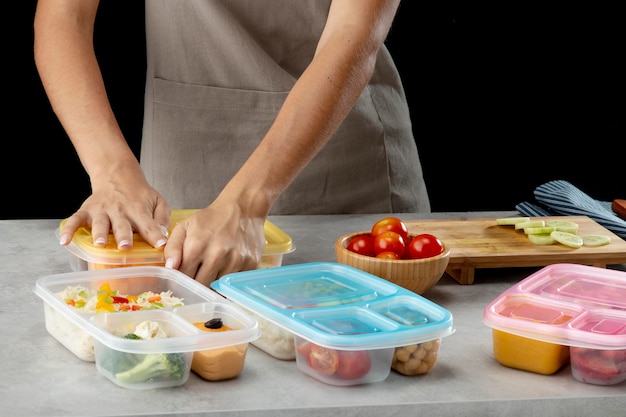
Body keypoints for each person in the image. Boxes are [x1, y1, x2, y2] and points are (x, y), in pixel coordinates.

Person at [33, 0, 430, 286]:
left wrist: (246, 203)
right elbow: (64, 15)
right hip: (180, 172)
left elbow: (354, 34)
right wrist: (112, 172)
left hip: (337, 172)